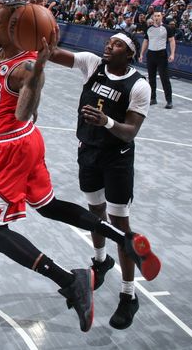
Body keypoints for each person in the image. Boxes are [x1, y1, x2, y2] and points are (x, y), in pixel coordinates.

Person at [0, 2, 160, 332]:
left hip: (11, 147)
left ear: (17, 28)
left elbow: (23, 112)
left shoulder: (25, 68)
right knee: (47, 206)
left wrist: (37, 74)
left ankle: (69, 281)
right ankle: (123, 237)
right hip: (29, 142)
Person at [49, 31, 153, 329]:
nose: (109, 45)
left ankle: (129, 295)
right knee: (95, 214)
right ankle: (100, 261)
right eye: (109, 41)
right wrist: (42, 45)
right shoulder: (92, 64)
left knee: (120, 226)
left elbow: (131, 131)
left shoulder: (139, 86)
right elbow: (55, 55)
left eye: (117, 44)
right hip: (89, 153)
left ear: (130, 53)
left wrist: (105, 121)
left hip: (117, 158)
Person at [138, 11, 175, 109]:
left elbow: (172, 41)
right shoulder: (149, 29)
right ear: (153, 17)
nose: (157, 17)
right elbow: (146, 41)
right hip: (151, 54)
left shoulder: (167, 28)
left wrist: (172, 54)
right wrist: (141, 54)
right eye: (155, 16)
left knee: (164, 78)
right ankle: (153, 98)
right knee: (151, 78)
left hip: (161, 55)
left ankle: (169, 101)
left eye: (158, 16)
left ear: (161, 17)